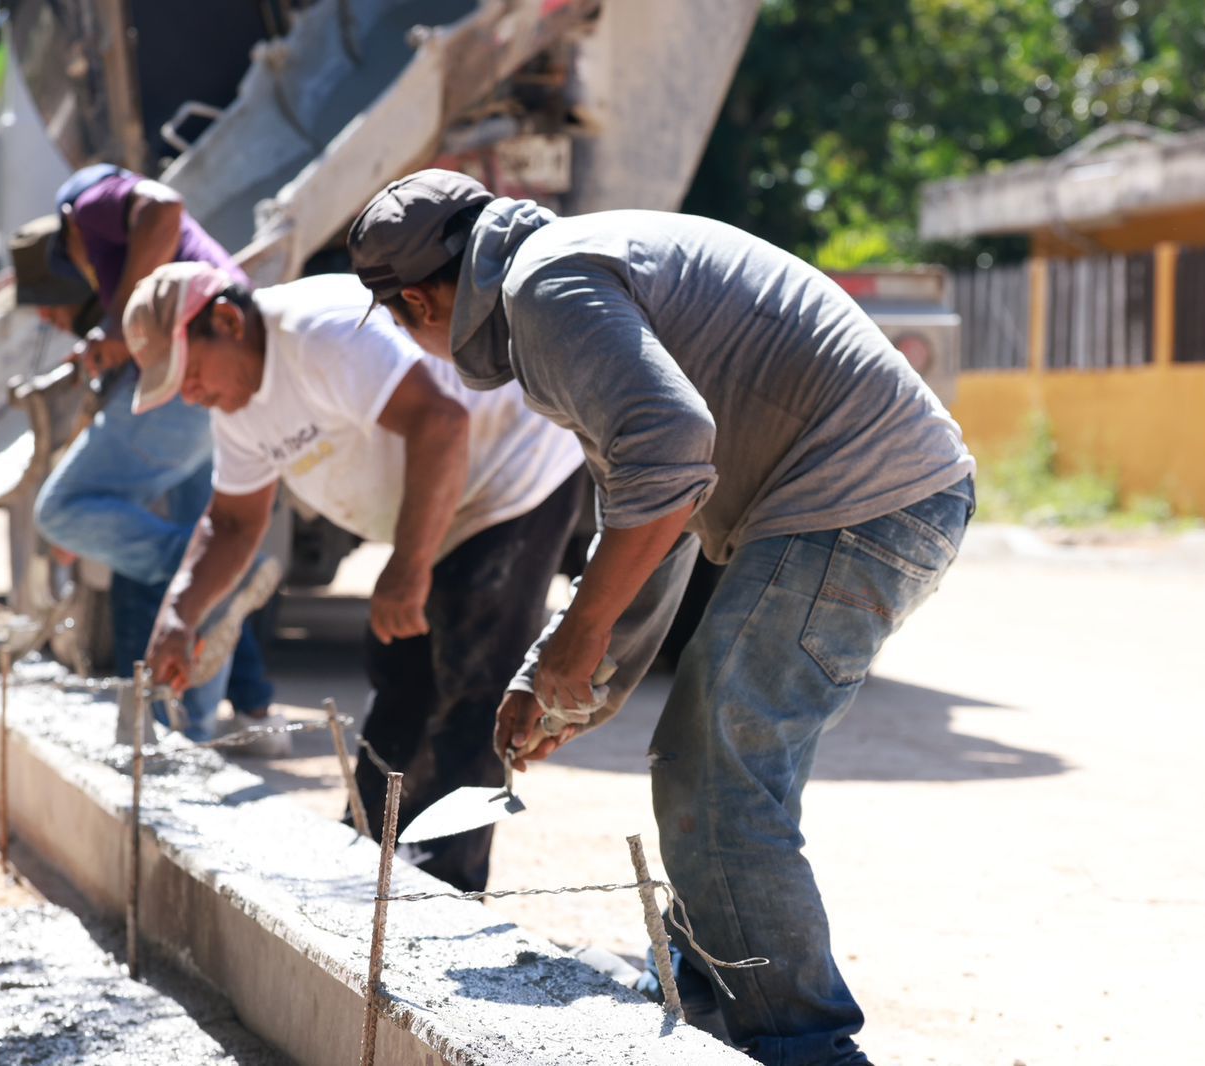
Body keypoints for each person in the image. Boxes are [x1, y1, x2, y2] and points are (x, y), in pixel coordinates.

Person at [346, 169, 976, 1064]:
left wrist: (578, 644)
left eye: (405, 324)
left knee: (714, 770)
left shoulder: (546, 288)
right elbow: (652, 521)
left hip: (860, 499)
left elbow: (672, 459)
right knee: (712, 764)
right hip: (877, 494)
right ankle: (708, 992)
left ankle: (808, 1049)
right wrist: (565, 681)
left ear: (416, 299)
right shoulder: (560, 272)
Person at [126, 262, 585, 893]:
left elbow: (441, 424)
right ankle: (367, 861)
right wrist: (180, 617)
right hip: (439, 498)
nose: (189, 395)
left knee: (474, 679)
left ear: (227, 322)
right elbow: (232, 524)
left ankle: (447, 882)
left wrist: (408, 566)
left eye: (189, 374)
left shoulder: (322, 330)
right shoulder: (235, 406)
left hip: (512, 469)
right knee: (400, 670)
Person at [12, 165, 280, 747]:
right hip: (217, 376)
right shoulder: (136, 274)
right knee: (197, 552)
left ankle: (217, 575)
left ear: (69, 232)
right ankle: (195, 733)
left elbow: (163, 205)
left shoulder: (87, 204)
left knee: (63, 509)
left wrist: (111, 321)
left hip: (201, 369)